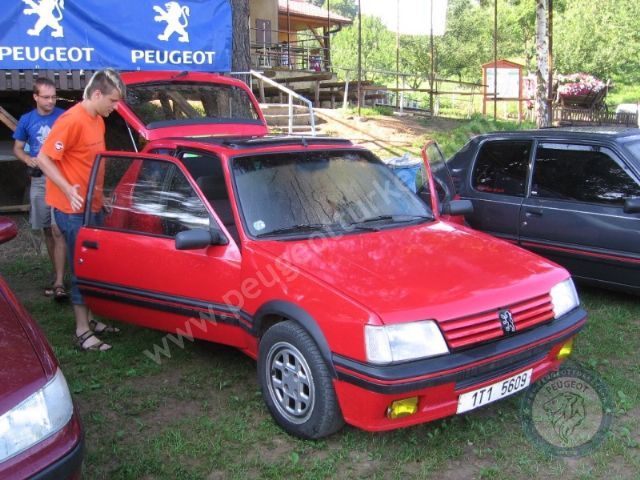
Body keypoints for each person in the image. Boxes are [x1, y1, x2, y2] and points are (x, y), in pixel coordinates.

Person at [37, 68, 126, 352]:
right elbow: (43, 159)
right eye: (112, 101)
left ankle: (91, 318)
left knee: (94, 265)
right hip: (72, 209)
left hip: (93, 205)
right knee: (82, 267)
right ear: (97, 94)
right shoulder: (71, 120)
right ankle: (81, 330)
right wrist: (67, 188)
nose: (116, 107)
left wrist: (102, 196)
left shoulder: (97, 120)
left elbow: (92, 163)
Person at [13, 77, 67, 300]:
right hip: (39, 179)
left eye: (54, 97)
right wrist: (28, 159)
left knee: (58, 229)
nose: (51, 101)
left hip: (60, 178)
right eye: (46, 97)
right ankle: (57, 275)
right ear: (35, 97)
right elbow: (18, 148)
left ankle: (60, 282)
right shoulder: (27, 120)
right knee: (46, 229)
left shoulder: (64, 116)